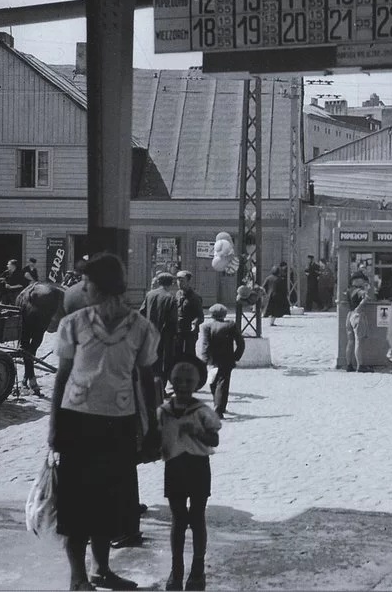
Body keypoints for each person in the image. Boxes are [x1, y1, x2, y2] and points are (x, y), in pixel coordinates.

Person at [47, 253, 159, 592]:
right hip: (77, 423)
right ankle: (77, 578)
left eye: (87, 281)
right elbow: (61, 378)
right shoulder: (73, 324)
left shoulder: (142, 328)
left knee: (109, 502)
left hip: (119, 425)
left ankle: (101, 571)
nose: (82, 286)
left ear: (103, 285)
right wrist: (54, 426)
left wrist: (151, 428)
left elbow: (147, 379)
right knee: (76, 504)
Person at [157, 355, 221, 592]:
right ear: (172, 382)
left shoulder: (202, 410)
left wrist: (197, 432)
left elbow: (214, 438)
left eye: (188, 381)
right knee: (177, 519)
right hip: (174, 466)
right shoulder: (164, 410)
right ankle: (176, 569)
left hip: (198, 466)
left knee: (197, 517)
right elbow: (157, 439)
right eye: (178, 380)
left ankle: (197, 567)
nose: (183, 385)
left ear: (196, 384)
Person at [199, 303, 245, 418]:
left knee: (213, 382)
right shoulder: (230, 325)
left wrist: (204, 361)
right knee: (223, 384)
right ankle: (219, 409)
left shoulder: (207, 327)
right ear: (224, 314)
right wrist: (235, 356)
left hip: (212, 360)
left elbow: (205, 345)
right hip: (227, 359)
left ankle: (217, 404)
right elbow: (241, 343)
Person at [141, 272, 179, 393]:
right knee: (164, 363)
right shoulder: (170, 298)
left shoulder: (150, 294)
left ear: (159, 282)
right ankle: (160, 391)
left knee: (151, 361)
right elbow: (173, 321)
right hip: (165, 336)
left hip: (150, 334)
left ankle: (149, 388)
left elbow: (141, 312)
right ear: (171, 283)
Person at [175, 270, 204, 356]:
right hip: (179, 330)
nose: (179, 283)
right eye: (178, 280)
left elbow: (200, 316)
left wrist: (195, 323)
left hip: (190, 331)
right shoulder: (177, 294)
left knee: (190, 354)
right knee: (177, 353)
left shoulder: (195, 297)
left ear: (188, 281)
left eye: (182, 280)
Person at [348, 288, 374, 373]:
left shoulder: (350, 290)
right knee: (359, 341)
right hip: (358, 315)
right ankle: (360, 365)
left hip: (351, 314)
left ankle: (351, 365)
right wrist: (359, 307)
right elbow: (366, 297)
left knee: (352, 341)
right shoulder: (359, 290)